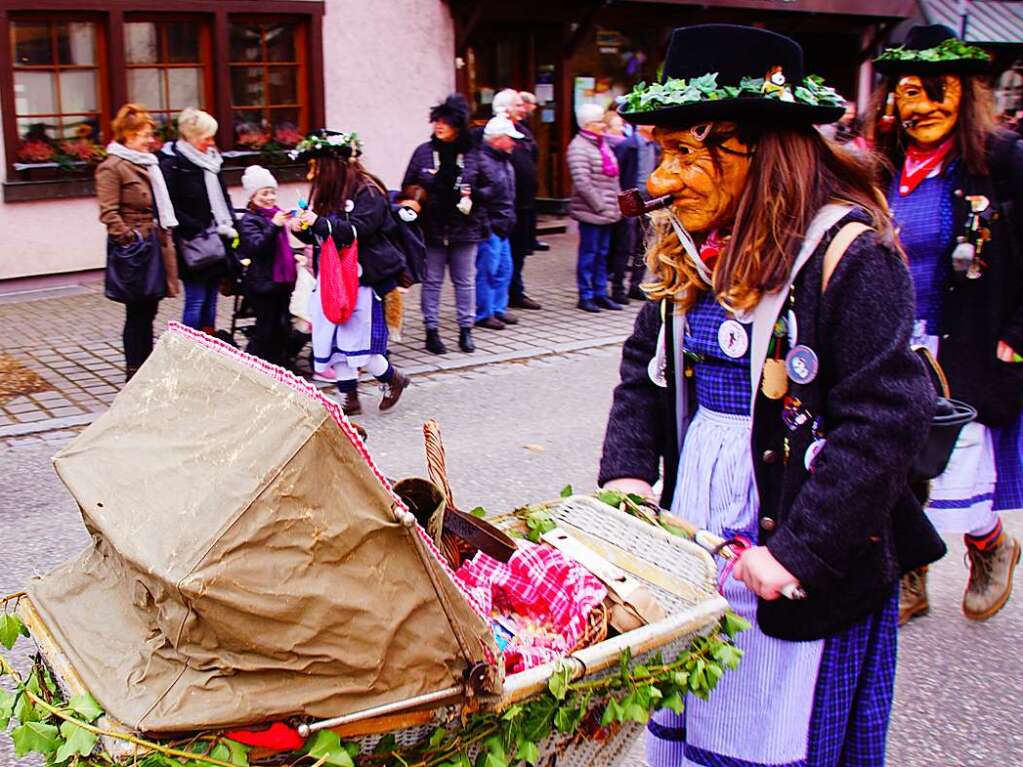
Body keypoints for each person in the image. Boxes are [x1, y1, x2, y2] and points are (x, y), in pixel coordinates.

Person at [599, 24, 945, 767]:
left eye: (687, 154)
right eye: (662, 155)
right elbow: (643, 371)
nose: (661, 181)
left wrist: (799, 551)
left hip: (802, 526)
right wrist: (625, 481)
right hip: (699, 518)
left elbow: (886, 418)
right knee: (694, 709)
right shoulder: (690, 248)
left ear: (764, 148)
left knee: (770, 726)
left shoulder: (849, 253)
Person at [871, 24, 1023, 624]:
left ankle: (989, 545)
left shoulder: (1002, 161)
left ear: (966, 94)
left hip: (967, 337)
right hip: (892, 335)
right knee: (888, 455)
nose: (921, 106)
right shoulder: (884, 164)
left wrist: (1018, 333)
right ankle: (911, 576)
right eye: (908, 92)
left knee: (953, 461)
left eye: (936, 90)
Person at [289, 130, 410, 415]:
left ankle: (393, 378)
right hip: (331, 278)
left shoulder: (368, 191)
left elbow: (358, 231)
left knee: (359, 344)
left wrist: (318, 222)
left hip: (363, 279)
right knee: (332, 339)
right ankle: (350, 398)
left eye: (315, 165)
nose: (311, 172)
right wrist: (303, 229)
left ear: (331, 164)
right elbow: (323, 238)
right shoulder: (327, 192)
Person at [95, 103, 180, 380]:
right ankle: (135, 371)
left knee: (149, 309)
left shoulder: (148, 164)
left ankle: (147, 368)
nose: (150, 140)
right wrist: (130, 239)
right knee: (137, 312)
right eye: (144, 134)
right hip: (136, 249)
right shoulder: (113, 167)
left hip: (153, 244)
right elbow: (108, 212)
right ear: (128, 135)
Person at [402, 94, 490, 355]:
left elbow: (490, 187)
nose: (439, 126)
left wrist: (472, 194)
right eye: (436, 121)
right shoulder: (424, 152)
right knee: (432, 281)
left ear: (458, 125)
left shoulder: (473, 153)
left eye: (445, 122)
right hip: (433, 228)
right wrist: (421, 191)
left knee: (465, 281)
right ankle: (432, 331)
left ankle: (466, 330)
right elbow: (407, 184)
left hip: (465, 228)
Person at [159, 107, 237, 333]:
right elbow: (168, 206)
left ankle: (209, 347)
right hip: (193, 243)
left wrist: (232, 224)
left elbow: (223, 196)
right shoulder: (172, 164)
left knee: (212, 299)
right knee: (196, 300)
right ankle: (188, 350)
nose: (212, 143)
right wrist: (197, 229)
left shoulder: (212, 162)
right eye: (207, 138)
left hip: (218, 238)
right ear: (191, 136)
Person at [237, 165, 296, 366]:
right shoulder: (248, 220)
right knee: (266, 327)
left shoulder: (274, 215)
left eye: (272, 192)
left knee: (282, 326)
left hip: (281, 282)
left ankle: (279, 363)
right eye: (264, 193)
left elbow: (282, 250)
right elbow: (256, 248)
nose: (270, 197)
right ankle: (250, 364)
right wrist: (275, 226)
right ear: (252, 196)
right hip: (262, 283)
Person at [567, 103, 623, 313]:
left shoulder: (602, 144)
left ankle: (600, 293)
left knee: (602, 254)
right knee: (589, 255)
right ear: (589, 124)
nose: (603, 125)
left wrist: (617, 204)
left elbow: (614, 176)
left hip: (608, 210)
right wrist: (601, 206)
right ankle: (586, 295)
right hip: (592, 211)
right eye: (600, 121)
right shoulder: (578, 147)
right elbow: (582, 183)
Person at [475, 115, 522, 330]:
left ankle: (498, 309)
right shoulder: (481, 160)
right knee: (487, 270)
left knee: (505, 269)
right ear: (497, 139)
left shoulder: (503, 160)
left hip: (503, 224)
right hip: (490, 224)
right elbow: (477, 195)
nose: (514, 142)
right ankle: (484, 312)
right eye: (510, 138)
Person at [610, 123, 660, 303]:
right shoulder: (627, 146)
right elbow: (617, 175)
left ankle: (636, 285)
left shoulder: (656, 146)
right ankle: (618, 288)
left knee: (643, 245)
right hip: (630, 200)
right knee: (625, 246)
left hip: (649, 201)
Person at [520, 91, 552, 253]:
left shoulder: (526, 123)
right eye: (531, 104)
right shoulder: (520, 124)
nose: (534, 107)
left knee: (531, 208)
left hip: (530, 174)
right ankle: (526, 241)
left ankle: (530, 240)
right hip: (523, 180)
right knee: (526, 210)